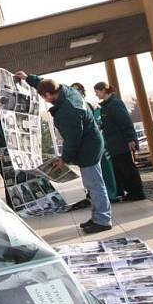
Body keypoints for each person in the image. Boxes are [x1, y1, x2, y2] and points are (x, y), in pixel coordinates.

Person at [14, 71, 111, 233]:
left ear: (49, 95)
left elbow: (73, 139)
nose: (44, 100)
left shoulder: (68, 111)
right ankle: (98, 217)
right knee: (92, 184)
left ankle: (103, 220)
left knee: (95, 185)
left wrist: (64, 159)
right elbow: (44, 83)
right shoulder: (65, 90)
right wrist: (27, 78)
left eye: (44, 97)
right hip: (90, 143)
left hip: (88, 148)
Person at [94, 82, 145, 202]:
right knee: (121, 169)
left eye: (97, 92)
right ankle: (130, 192)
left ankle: (137, 192)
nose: (96, 94)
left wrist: (130, 139)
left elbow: (125, 123)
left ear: (103, 91)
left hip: (121, 143)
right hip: (113, 144)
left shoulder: (115, 104)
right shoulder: (105, 106)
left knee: (127, 168)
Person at [72, 82, 118, 202]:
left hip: (97, 144)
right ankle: (95, 196)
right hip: (84, 147)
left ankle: (111, 194)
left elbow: (100, 124)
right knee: (91, 176)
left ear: (83, 93)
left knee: (105, 170)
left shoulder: (91, 106)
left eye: (77, 91)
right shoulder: (71, 108)